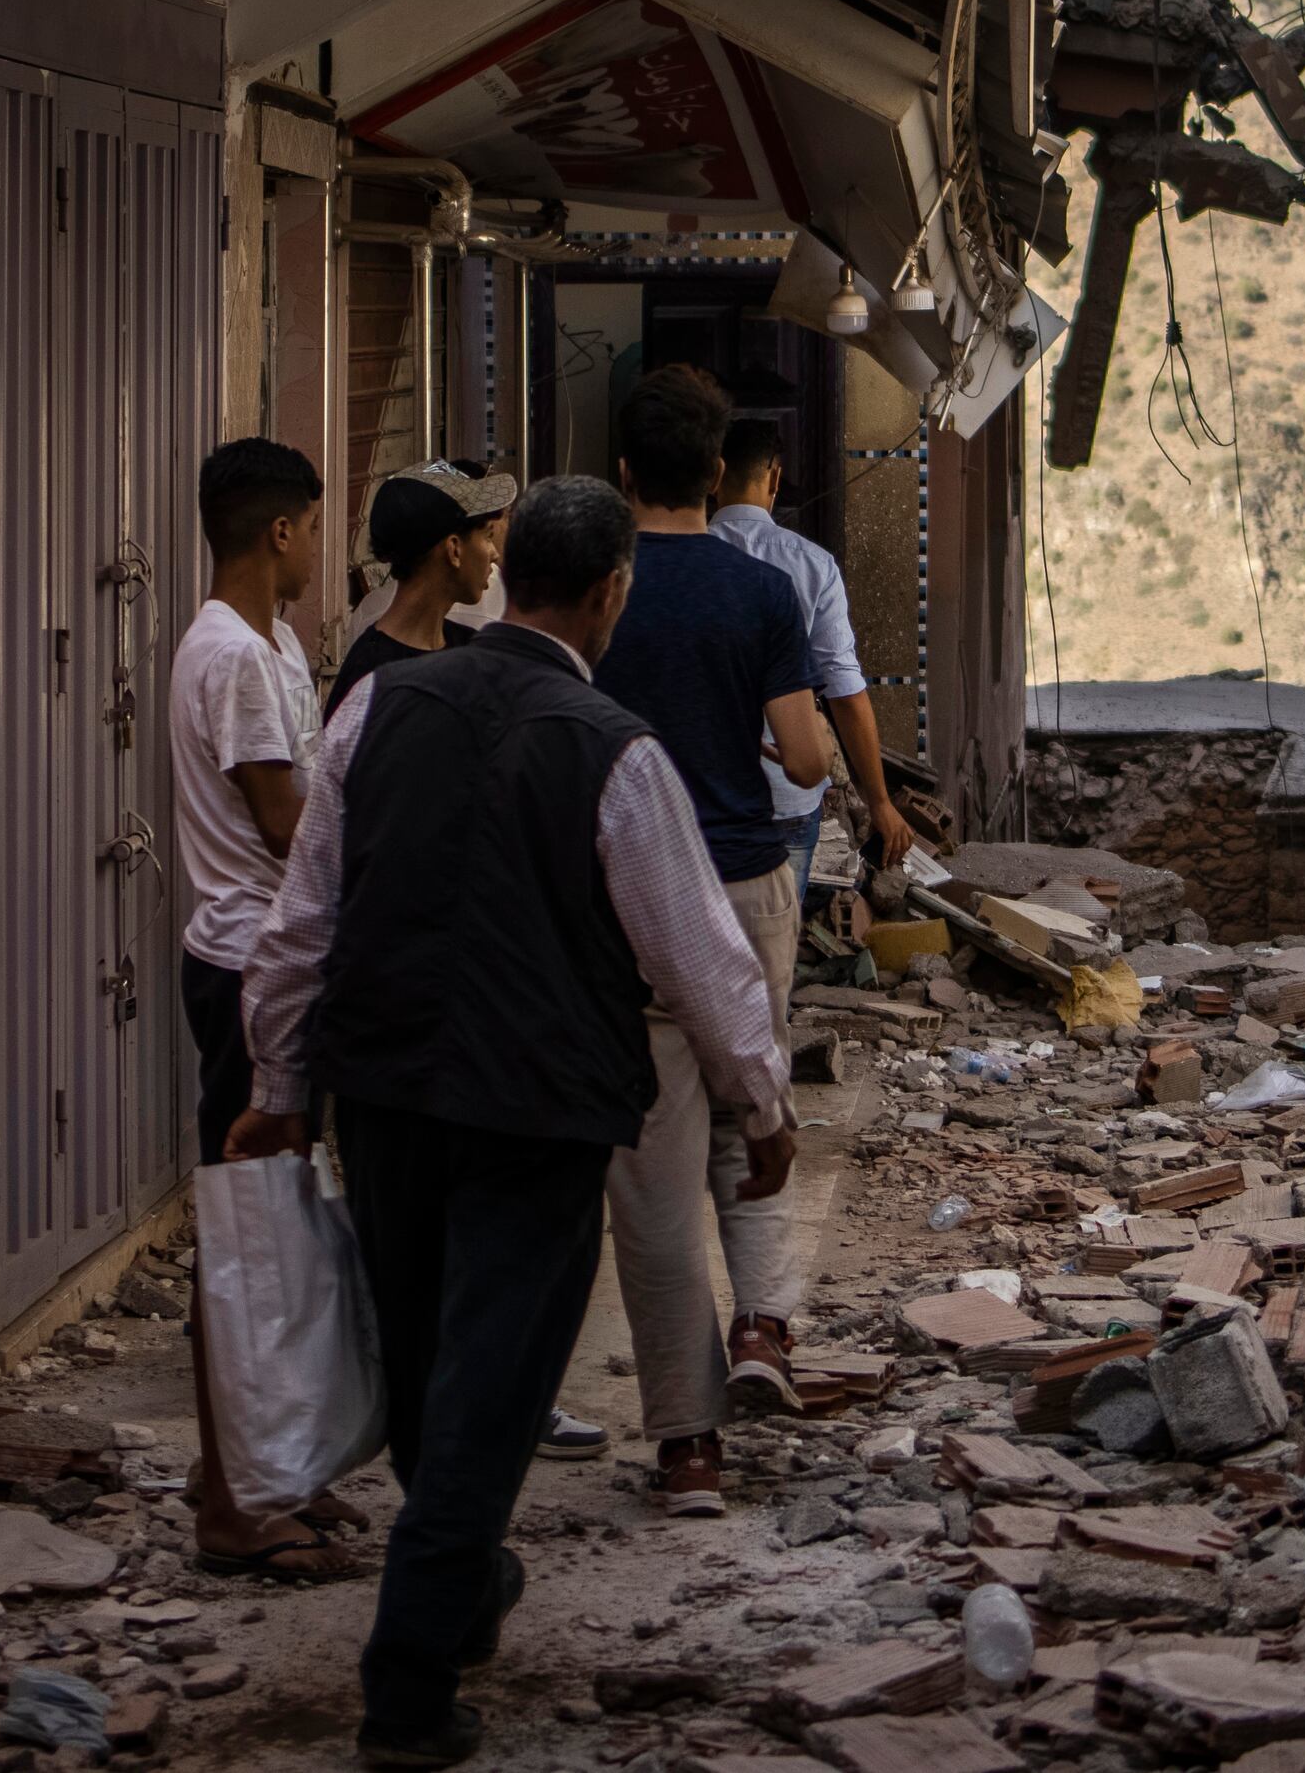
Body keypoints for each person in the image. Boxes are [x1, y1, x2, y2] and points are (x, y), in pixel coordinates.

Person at [234, 478, 795, 1769]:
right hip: (537, 1104)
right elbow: (701, 956)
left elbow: (302, 920)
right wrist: (758, 1101)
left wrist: (278, 1089)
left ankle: (464, 1581)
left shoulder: (378, 705)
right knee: (490, 1377)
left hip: (383, 1089)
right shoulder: (614, 751)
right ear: (608, 592)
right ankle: (408, 1680)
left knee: (432, 1353)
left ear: (504, 578)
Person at [586, 367, 834, 1514]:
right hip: (741, 879)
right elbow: (804, 757)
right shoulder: (759, 592)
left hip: (620, 900)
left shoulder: (592, 595)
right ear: (721, 473)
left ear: (624, 472)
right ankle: (764, 1326)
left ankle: (686, 1443)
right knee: (754, 1102)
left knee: (651, 1168)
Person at [327, 457, 609, 1461]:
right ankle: (448, 1458)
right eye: (485, 533)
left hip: (473, 1000)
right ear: (449, 547)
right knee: (436, 1254)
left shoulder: (455, 653)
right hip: (409, 1010)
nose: (496, 551)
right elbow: (330, 874)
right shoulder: (368, 685)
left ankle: (473, 1430)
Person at [163, 435, 361, 1580]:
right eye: (311, 527)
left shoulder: (268, 640)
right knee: (242, 1235)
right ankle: (234, 1498)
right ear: (280, 530)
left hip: (264, 957)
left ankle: (253, 1460)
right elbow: (287, 821)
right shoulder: (233, 653)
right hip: (245, 962)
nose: (316, 550)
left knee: (274, 1225)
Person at [711, 406, 914, 877]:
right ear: (775, 479)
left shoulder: (678, 560)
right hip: (785, 798)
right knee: (779, 941)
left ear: (712, 476)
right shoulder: (811, 566)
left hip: (697, 795)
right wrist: (879, 801)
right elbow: (844, 691)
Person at [331, 460, 513, 718]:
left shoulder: (471, 651)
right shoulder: (372, 681)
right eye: (485, 536)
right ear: (454, 550)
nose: (493, 554)